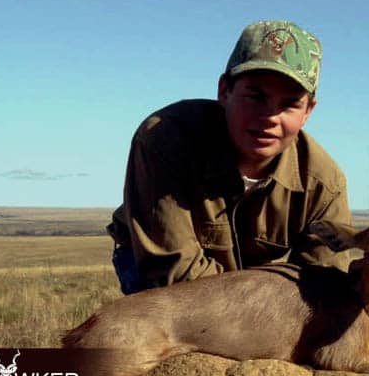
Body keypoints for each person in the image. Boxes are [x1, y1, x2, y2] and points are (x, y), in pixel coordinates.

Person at [107, 20, 353, 294]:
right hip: (151, 264)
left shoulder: (324, 184)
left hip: (245, 283)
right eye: (256, 97)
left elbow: (322, 284)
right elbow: (172, 270)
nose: (270, 118)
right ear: (225, 91)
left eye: (289, 105)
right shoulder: (165, 139)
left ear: (308, 111)